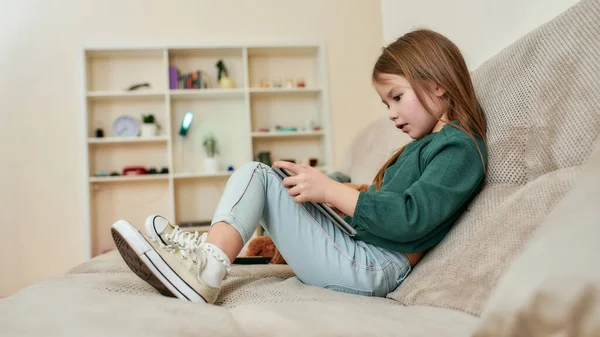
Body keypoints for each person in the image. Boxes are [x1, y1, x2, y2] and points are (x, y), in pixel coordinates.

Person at [111, 29, 488, 304]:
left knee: (257, 174)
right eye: (385, 103)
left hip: (373, 267)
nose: (390, 114)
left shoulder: (460, 148)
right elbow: (382, 206)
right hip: (359, 251)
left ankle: (205, 269)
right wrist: (324, 199)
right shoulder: (423, 147)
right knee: (269, 176)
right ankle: (202, 256)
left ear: (439, 84)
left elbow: (411, 218)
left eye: (396, 97)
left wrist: (333, 192)